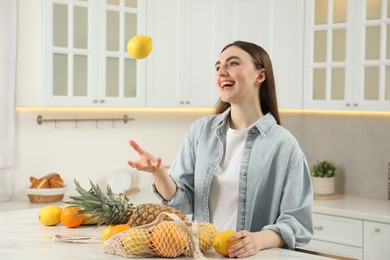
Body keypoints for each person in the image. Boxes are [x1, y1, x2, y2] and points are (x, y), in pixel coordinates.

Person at [128, 41, 313, 258]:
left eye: (233, 63)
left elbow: (297, 223)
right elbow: (182, 202)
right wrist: (159, 174)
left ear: (260, 76)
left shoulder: (283, 145)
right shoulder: (200, 131)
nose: (222, 72)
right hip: (203, 254)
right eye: (218, 67)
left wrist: (258, 240)